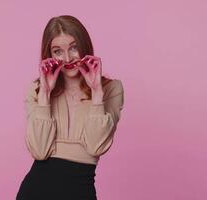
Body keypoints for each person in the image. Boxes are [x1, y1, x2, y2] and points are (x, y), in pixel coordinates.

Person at [16, 15, 124, 200]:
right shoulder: (37, 90)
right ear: (49, 55)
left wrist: (96, 92)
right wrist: (45, 95)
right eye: (58, 51)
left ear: (84, 46)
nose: (67, 58)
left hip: (80, 190)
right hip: (35, 191)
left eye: (74, 48)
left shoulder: (111, 89)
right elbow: (39, 151)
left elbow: (95, 147)